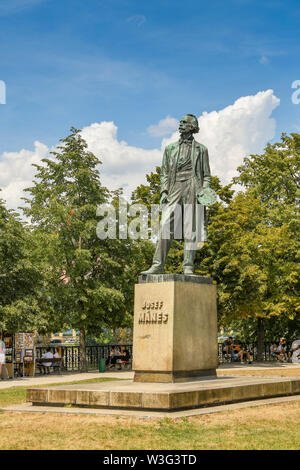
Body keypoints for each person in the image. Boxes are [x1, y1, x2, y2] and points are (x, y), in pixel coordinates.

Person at [141, 114, 215, 275]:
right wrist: (164, 191)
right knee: (165, 226)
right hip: (175, 187)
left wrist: (204, 190)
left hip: (193, 186)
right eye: (180, 122)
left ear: (192, 126)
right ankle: (157, 265)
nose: (180, 124)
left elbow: (207, 175)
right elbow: (165, 173)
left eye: (184, 122)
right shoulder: (170, 148)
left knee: (191, 228)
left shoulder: (201, 149)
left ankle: (188, 266)